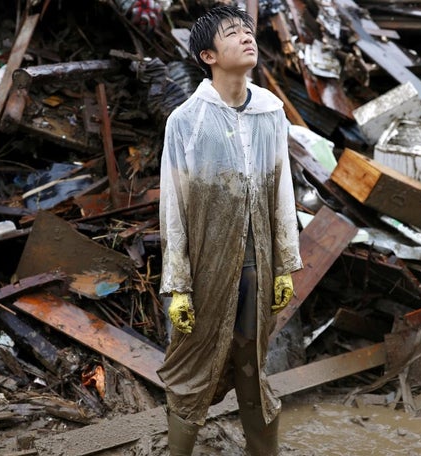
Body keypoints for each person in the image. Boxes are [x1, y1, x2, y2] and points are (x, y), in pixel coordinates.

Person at [157, 5, 303, 455]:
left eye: (247, 30)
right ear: (207, 55)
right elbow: (173, 208)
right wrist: (178, 285)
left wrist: (284, 265)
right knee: (191, 366)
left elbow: (282, 191)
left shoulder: (271, 111)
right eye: (231, 33)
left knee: (253, 366)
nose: (246, 37)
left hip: (257, 265)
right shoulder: (186, 121)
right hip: (206, 268)